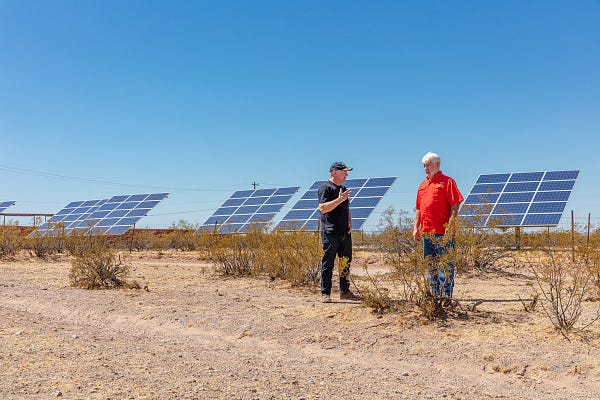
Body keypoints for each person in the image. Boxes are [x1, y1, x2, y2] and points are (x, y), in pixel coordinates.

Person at [413, 152, 464, 301]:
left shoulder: (447, 182)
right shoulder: (422, 185)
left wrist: (450, 224)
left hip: (443, 232)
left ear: (437, 165)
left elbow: (455, 205)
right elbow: (418, 208)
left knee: (446, 266)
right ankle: (434, 296)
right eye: (424, 165)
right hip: (427, 233)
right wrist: (416, 227)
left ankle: (446, 296)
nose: (425, 168)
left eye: (428, 165)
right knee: (431, 265)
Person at [318, 161, 361, 303]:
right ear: (334, 173)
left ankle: (344, 291)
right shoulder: (326, 188)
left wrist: (350, 221)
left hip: (344, 232)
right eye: (344, 171)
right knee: (328, 263)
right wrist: (340, 199)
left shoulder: (344, 188)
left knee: (345, 262)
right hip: (330, 232)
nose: (347, 174)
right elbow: (323, 208)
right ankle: (326, 293)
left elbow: (346, 208)